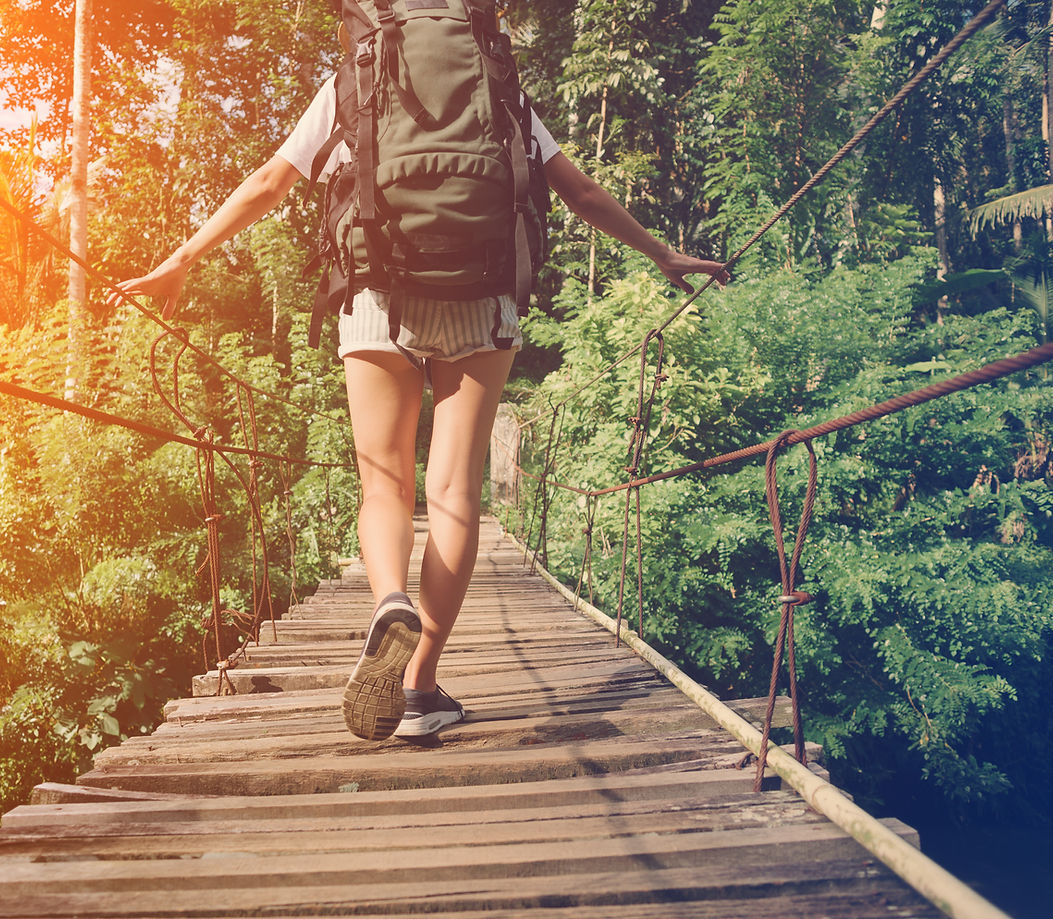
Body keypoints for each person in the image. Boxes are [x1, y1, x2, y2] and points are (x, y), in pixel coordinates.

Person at [111, 65, 729, 743]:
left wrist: (184, 257)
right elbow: (577, 190)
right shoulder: (496, 85)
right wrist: (661, 254)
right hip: (482, 294)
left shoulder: (355, 77)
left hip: (376, 288)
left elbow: (270, 182)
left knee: (384, 482)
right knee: (455, 493)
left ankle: (390, 602)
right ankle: (419, 686)